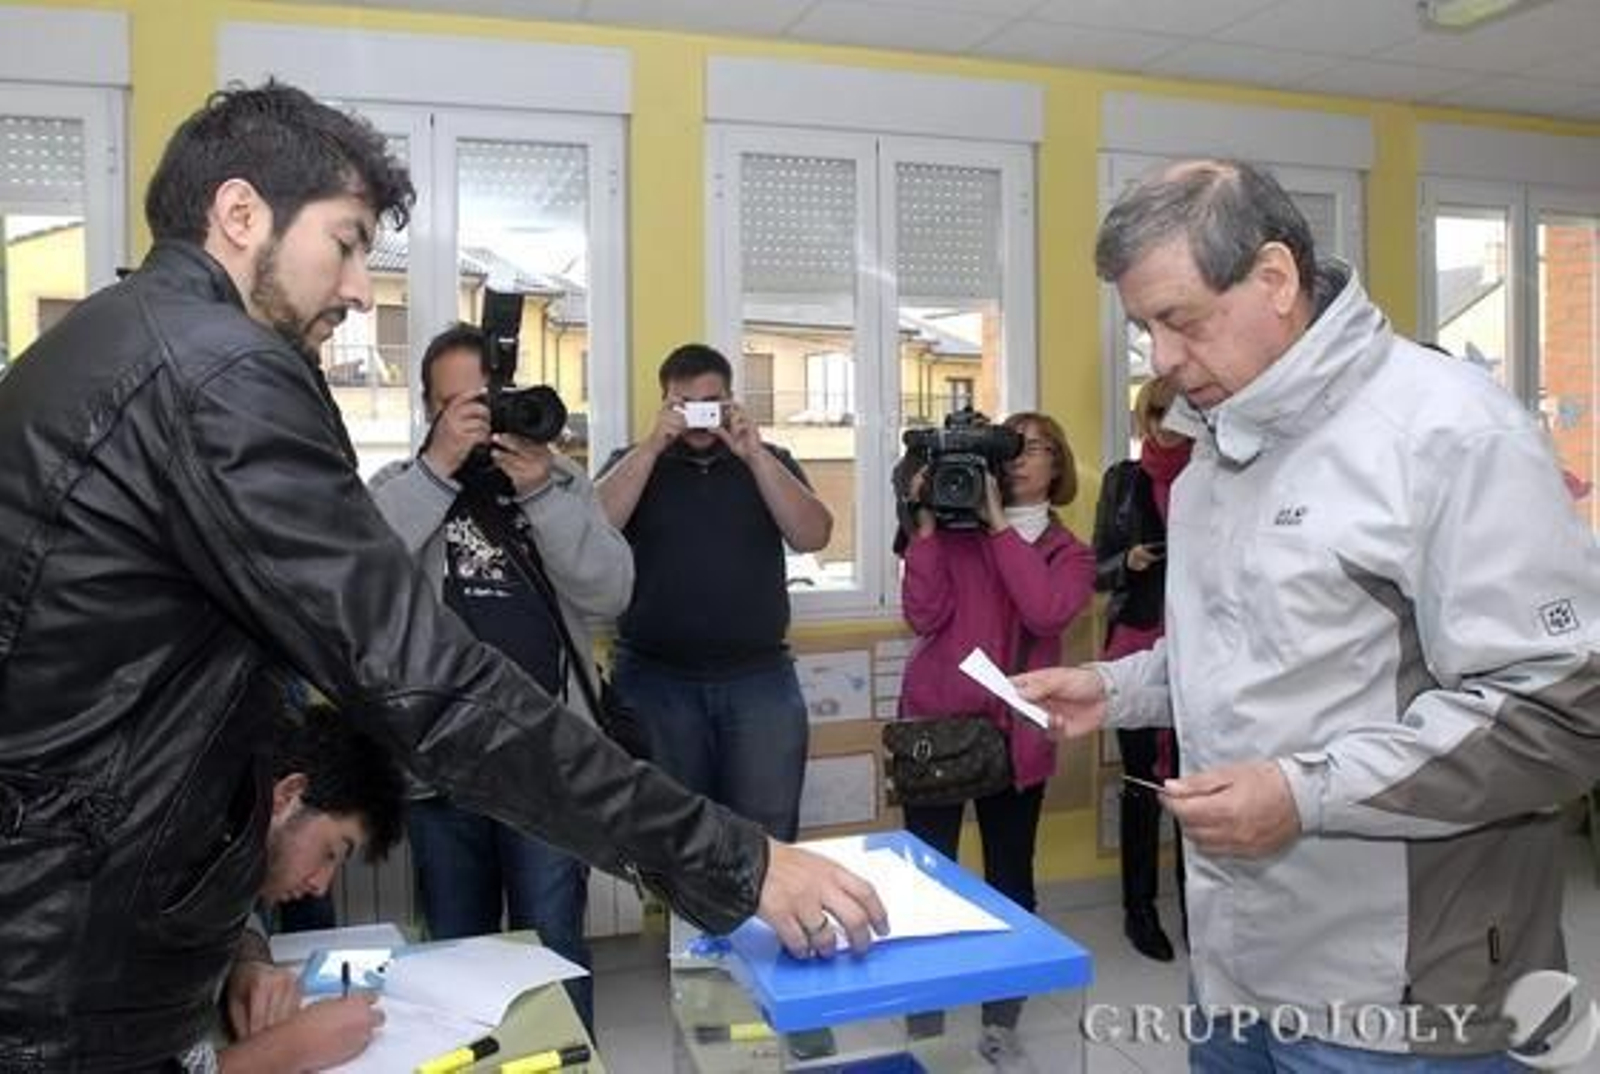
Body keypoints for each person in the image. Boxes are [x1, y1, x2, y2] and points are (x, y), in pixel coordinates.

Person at [0, 81, 885, 1071]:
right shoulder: (220, 372)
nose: (354, 290)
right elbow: (424, 680)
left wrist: (238, 938)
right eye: (343, 243)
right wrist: (738, 861)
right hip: (70, 957)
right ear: (241, 213)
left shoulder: (101, 340)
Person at [1016, 159, 1600, 1070]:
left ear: (1276, 279)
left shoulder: (1446, 431)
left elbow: (1559, 710)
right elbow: (1254, 645)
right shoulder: (1218, 446)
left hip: (1404, 998)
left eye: (1180, 320)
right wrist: (1113, 686)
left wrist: (1304, 793)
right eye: (1143, 330)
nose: (1162, 360)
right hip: (1236, 969)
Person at [369, 322, 632, 1031]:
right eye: (458, 407)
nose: (478, 422)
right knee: (459, 953)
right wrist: (437, 472)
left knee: (554, 945)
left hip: (547, 761)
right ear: (430, 412)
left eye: (486, 401)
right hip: (442, 760)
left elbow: (611, 593)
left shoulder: (562, 482)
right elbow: (361, 579)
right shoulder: (399, 486)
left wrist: (543, 495)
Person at [896, 411, 1094, 1069]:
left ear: (1056, 466)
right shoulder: (957, 536)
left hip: (1016, 736)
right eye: (1007, 447)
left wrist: (1001, 529)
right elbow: (922, 616)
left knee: (1010, 879)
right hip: (937, 728)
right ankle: (924, 1014)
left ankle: (1000, 1021)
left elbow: (1045, 611)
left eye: (1031, 448)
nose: (1016, 459)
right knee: (926, 880)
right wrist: (924, 529)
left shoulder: (1071, 553)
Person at [595, 343, 831, 841]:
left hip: (758, 678)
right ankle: (685, 924)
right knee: (673, 838)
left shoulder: (771, 460)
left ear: (731, 401)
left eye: (712, 402)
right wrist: (651, 447)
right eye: (684, 404)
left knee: (767, 837)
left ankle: (762, 923)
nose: (700, 418)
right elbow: (591, 533)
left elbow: (813, 535)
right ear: (665, 404)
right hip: (654, 680)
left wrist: (755, 455)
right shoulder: (632, 462)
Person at [210, 703, 406, 1074]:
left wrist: (247, 962)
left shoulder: (219, 835)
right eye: (329, 853)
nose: (320, 886)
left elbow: (232, 906)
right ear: (287, 796)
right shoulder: (144, 870)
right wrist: (291, 1049)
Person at [1090, 376, 1191, 963]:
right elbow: (1093, 569)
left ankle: (1195, 912)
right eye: (1155, 412)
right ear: (1142, 418)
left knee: (1192, 786)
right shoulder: (1122, 480)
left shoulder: (1220, 473)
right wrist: (1126, 561)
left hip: (1201, 646)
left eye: (1177, 411)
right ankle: (1139, 910)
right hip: (1134, 640)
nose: (1166, 423)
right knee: (1141, 786)